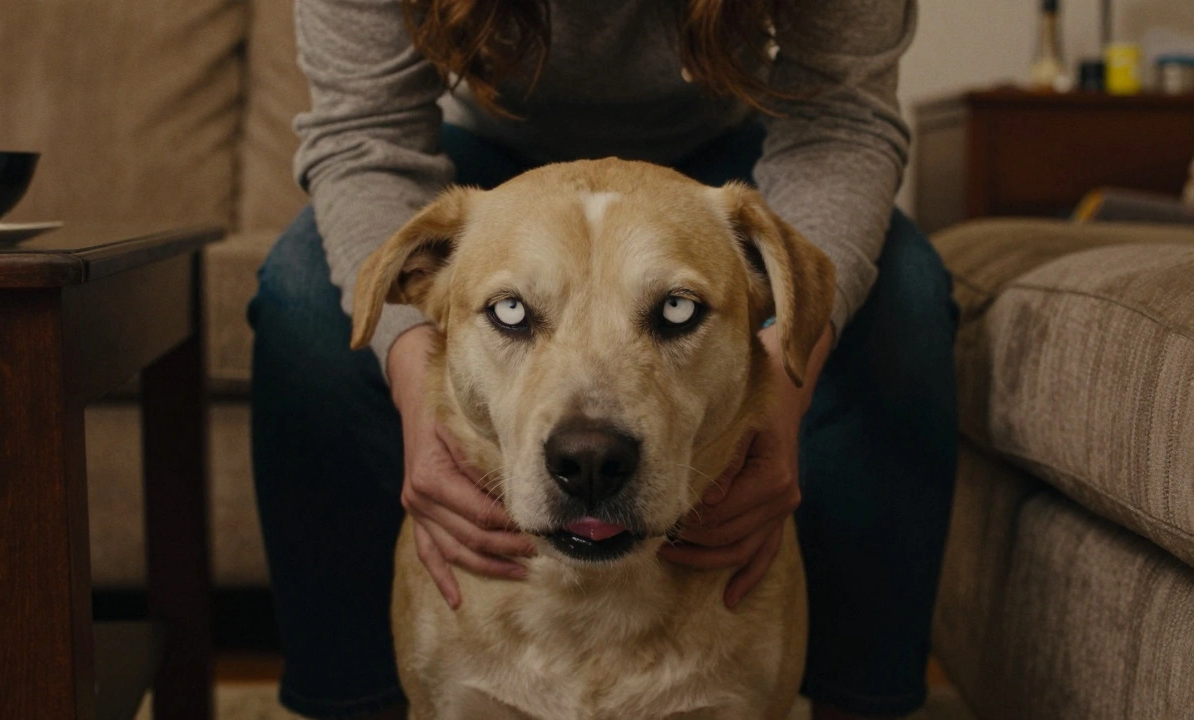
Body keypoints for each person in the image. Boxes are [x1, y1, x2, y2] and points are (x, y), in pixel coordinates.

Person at [247, 0, 958, 718]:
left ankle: (865, 700)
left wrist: (777, 391)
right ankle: (350, 700)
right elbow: (361, 134)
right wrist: (412, 383)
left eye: (674, 312)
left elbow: (844, 123)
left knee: (909, 296)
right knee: (303, 294)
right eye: (512, 314)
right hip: (489, 163)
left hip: (720, 159)